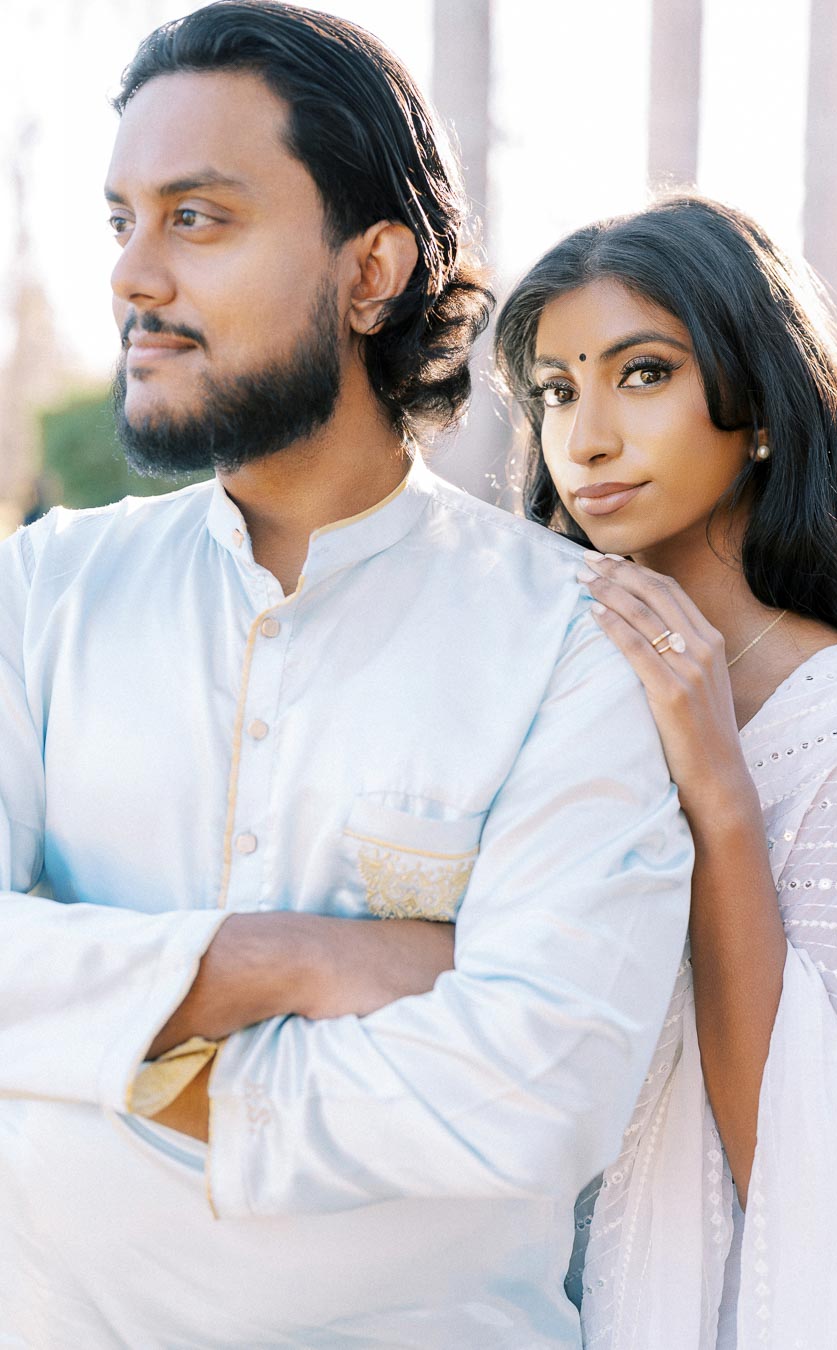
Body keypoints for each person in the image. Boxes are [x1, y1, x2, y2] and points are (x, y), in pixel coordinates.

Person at [0, 6, 693, 1346]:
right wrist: (294, 958)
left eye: (198, 219)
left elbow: (541, 1083)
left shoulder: (572, 639)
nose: (136, 276)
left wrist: (94, 1055)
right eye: (121, 222)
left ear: (372, 269)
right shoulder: (43, 591)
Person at [492, 194, 837, 1348]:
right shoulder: (542, 688)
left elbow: (811, 1165)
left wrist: (719, 792)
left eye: (644, 374)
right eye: (558, 392)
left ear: (759, 410)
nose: (588, 438)